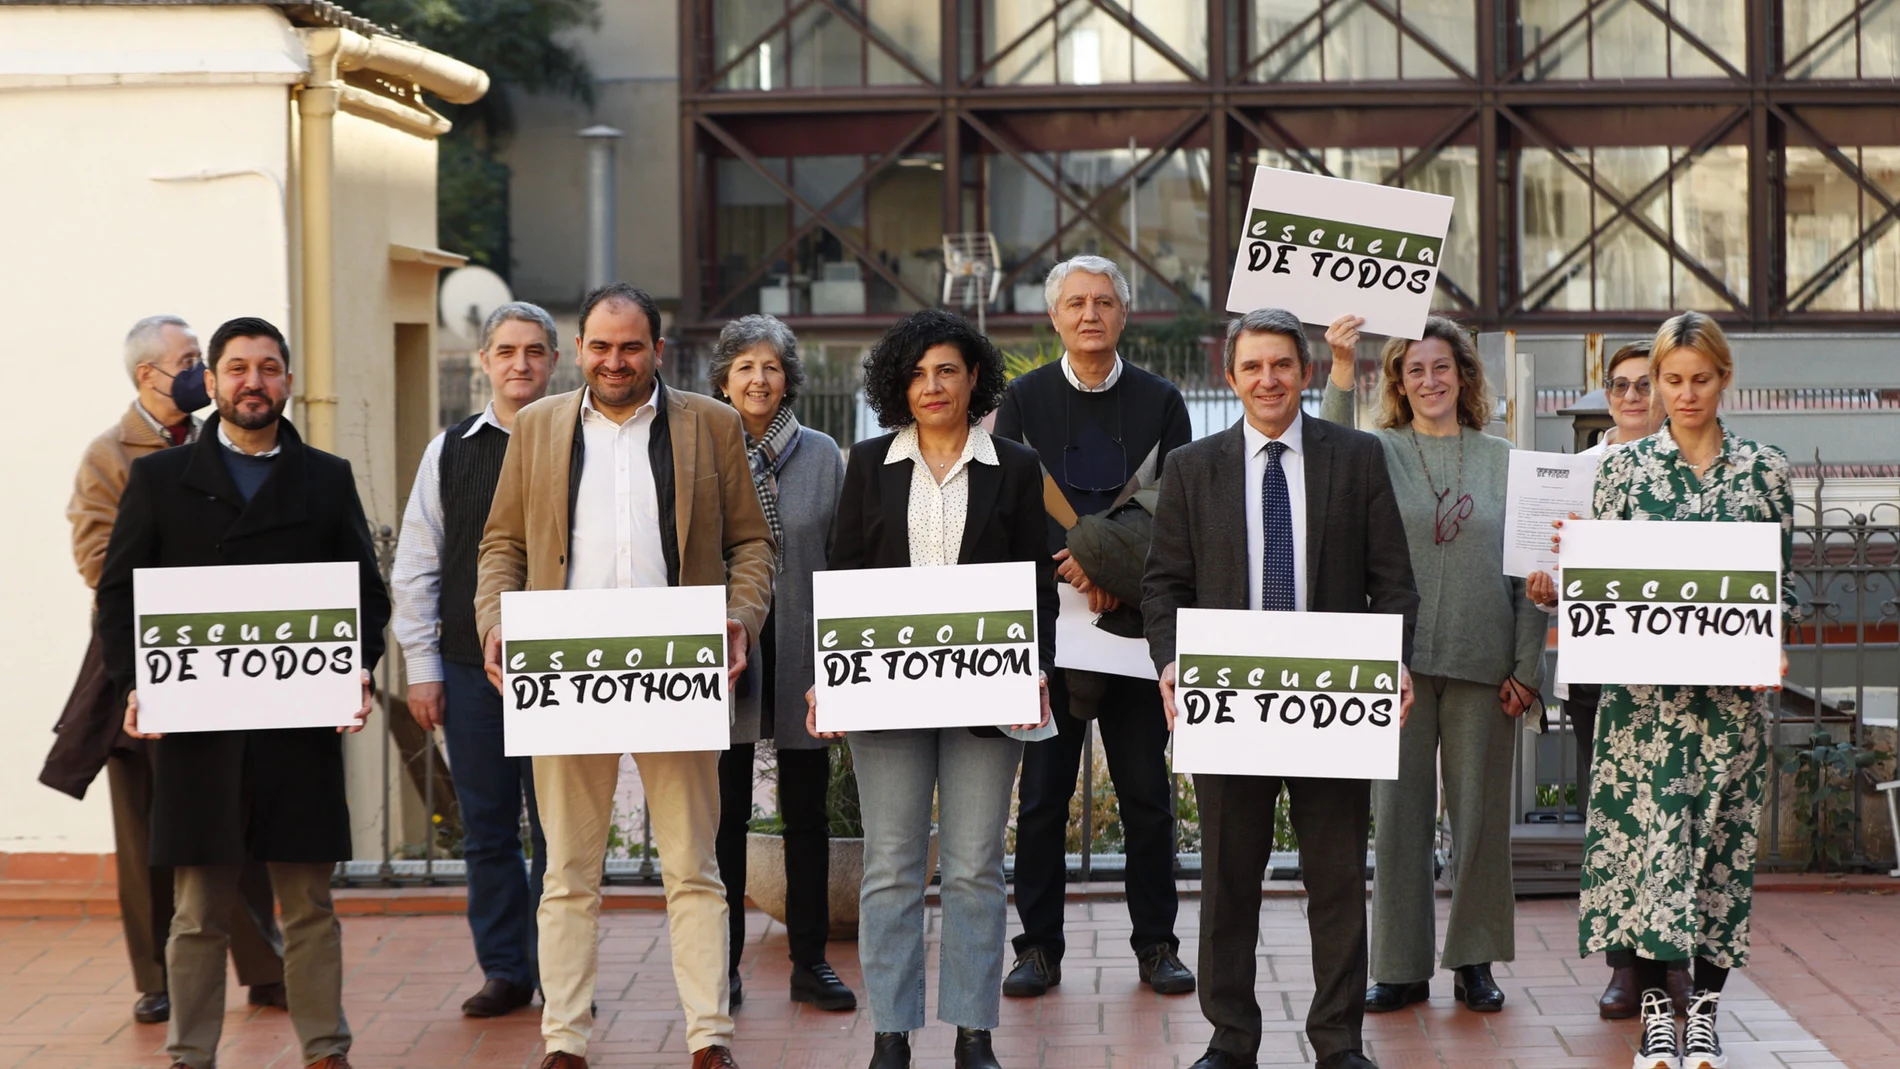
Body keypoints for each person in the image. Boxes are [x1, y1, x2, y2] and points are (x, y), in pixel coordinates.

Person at [474, 283, 774, 1069]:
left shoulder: (711, 426)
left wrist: (740, 618)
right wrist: (496, 623)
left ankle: (710, 1036)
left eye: (630, 346)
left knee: (694, 869)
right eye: (601, 347)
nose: (615, 361)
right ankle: (564, 1040)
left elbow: (751, 546)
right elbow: (500, 544)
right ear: (579, 351)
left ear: (657, 351)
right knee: (568, 874)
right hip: (567, 676)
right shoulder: (537, 427)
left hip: (678, 674)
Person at [97, 316, 389, 1069]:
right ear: (213, 382)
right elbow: (120, 594)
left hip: (298, 731)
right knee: (196, 911)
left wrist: (355, 664)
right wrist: (136, 681)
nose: (252, 381)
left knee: (311, 907)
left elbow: (367, 596)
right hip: (199, 730)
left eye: (267, 367)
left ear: (287, 381)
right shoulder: (159, 480)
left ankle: (326, 1049)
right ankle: (189, 1053)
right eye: (235, 368)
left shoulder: (326, 477)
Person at [1143, 308, 1419, 1069]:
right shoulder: (1193, 468)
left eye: (1282, 365)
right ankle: (1231, 1039)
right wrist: (1171, 662)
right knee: (1230, 879)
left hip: (1333, 706)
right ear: (1229, 377)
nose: (1268, 379)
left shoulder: (1357, 458)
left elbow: (1393, 582)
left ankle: (1338, 1042)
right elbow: (1163, 585)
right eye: (1253, 366)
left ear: (1304, 372)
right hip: (1229, 706)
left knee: (1336, 880)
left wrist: (1392, 659)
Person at [804, 309, 1055, 1069]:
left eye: (946, 369)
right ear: (898, 386)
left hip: (987, 697)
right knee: (891, 865)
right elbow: (842, 577)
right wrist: (827, 675)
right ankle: (892, 1030)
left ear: (974, 376)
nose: (932, 385)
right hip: (886, 697)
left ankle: (974, 1030)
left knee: (976, 862)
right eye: (916, 373)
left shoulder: (1014, 465)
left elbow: (1036, 582)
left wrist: (1033, 666)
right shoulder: (868, 461)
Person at [1556, 312, 1794, 1069]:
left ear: (1724, 379)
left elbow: (1779, 587)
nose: (1685, 393)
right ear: (1653, 383)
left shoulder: (1765, 470)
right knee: (1648, 856)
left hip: (1729, 707)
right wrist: (1576, 568)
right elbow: (1604, 589)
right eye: (1672, 379)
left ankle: (1707, 1017)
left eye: (1700, 378)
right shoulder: (1621, 472)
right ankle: (1660, 1014)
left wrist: (1773, 645)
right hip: (1644, 708)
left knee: (1719, 855)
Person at [41, 315, 287, 1026]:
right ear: (149, 374)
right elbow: (96, 558)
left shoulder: (228, 438)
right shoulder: (109, 454)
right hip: (144, 661)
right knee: (147, 827)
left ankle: (265, 966)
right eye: (187, 358)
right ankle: (156, 979)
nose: (201, 370)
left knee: (239, 812)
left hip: (231, 660)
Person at [1319, 314, 1545, 1016]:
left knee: (1479, 820)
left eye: (1440, 366)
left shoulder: (1504, 457)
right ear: (1397, 382)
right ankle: (1400, 965)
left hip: (1486, 662)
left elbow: (1531, 565)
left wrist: (1529, 665)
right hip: (1400, 668)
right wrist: (1337, 362)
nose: (1429, 380)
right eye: (1414, 369)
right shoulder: (1377, 451)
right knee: (1398, 818)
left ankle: (1474, 960)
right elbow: (1323, 448)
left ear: (1464, 376)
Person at [992, 255, 1194, 998]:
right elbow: (1012, 500)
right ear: (1054, 317)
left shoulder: (1163, 400)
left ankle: (1157, 943)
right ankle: (1037, 947)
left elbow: (1173, 506)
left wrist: (1114, 572)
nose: (1089, 314)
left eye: (1103, 301)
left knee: (1146, 794)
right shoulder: (1020, 400)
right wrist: (1076, 566)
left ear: (1123, 312)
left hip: (1138, 624)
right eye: (1075, 302)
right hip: (1049, 624)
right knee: (1042, 796)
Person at [391, 302, 557, 1018]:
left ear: (557, 361)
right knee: (489, 827)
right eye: (507, 350)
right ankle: (506, 970)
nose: (520, 363)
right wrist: (422, 667)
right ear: (484, 360)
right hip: (467, 665)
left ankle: (561, 971)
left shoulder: (586, 440)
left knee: (560, 830)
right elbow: (418, 561)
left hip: (565, 668)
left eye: (535, 351)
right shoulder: (449, 449)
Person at [705, 314, 855, 1012]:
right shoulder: (700, 446)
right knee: (724, 815)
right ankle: (722, 966)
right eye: (745, 367)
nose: (759, 379)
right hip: (724, 651)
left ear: (788, 377)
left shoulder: (824, 454)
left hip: (801, 646)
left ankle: (809, 960)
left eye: (770, 366)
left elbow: (845, 555)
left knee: (806, 813)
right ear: (723, 380)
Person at [1524, 341, 1674, 1022]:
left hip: (1675, 672)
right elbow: (1548, 573)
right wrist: (1545, 588)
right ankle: (1624, 967)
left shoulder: (1688, 468)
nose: (1634, 396)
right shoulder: (1577, 470)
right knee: (1610, 822)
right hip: (1597, 671)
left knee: (1674, 818)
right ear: (1605, 394)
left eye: (1646, 384)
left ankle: (1671, 961)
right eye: (1621, 385)